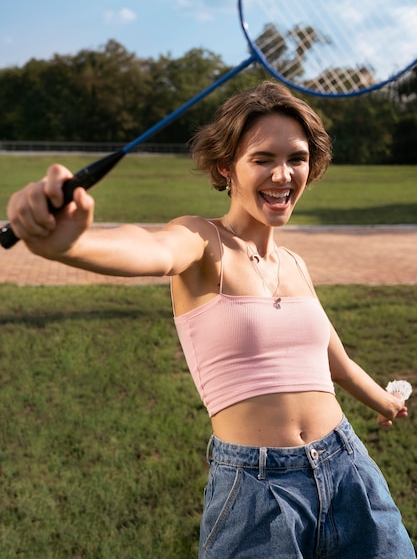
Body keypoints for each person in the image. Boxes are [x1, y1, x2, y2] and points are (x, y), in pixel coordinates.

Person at [6, 81, 415, 558]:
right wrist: (69, 244)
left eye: (297, 158)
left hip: (348, 469)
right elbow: (151, 250)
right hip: (258, 493)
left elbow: (334, 361)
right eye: (262, 158)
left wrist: (384, 402)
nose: (283, 174)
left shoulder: (296, 265)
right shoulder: (201, 241)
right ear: (227, 167)